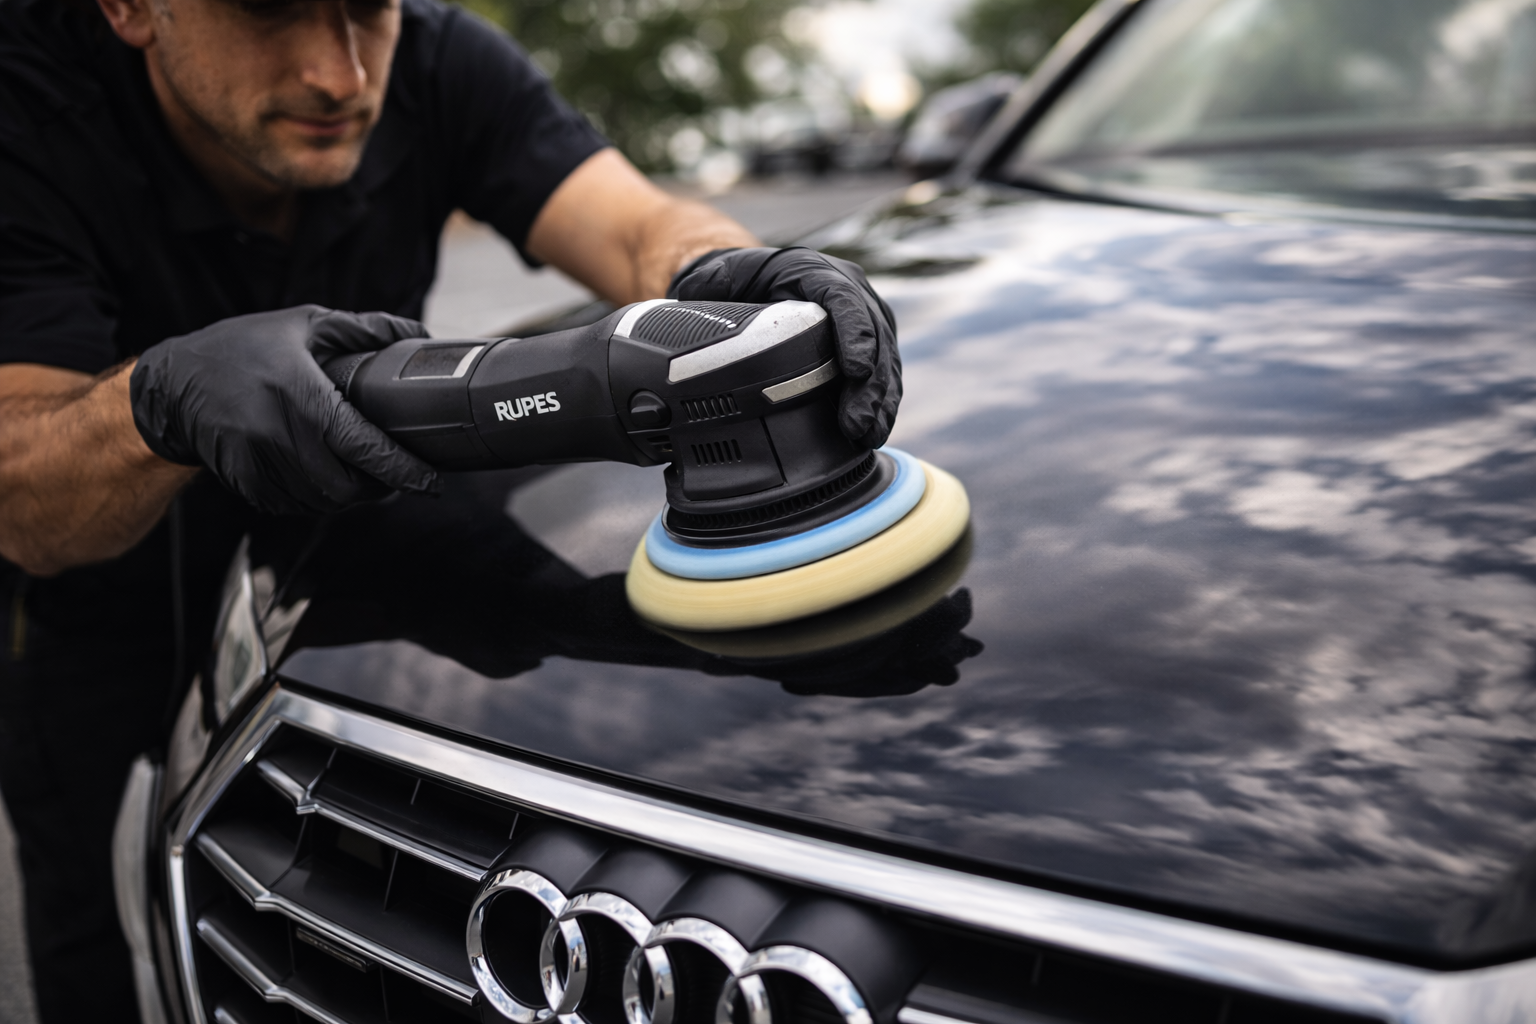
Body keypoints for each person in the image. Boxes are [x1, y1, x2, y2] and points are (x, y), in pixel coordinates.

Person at [0, 0, 902, 1016]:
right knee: (81, 920)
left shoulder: (441, 61)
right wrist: (153, 405)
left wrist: (723, 283)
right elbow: (23, 493)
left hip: (333, 592)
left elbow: (638, 222)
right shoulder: (24, 100)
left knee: (341, 917)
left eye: (366, 12)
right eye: (275, 12)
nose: (342, 75)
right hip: (88, 598)